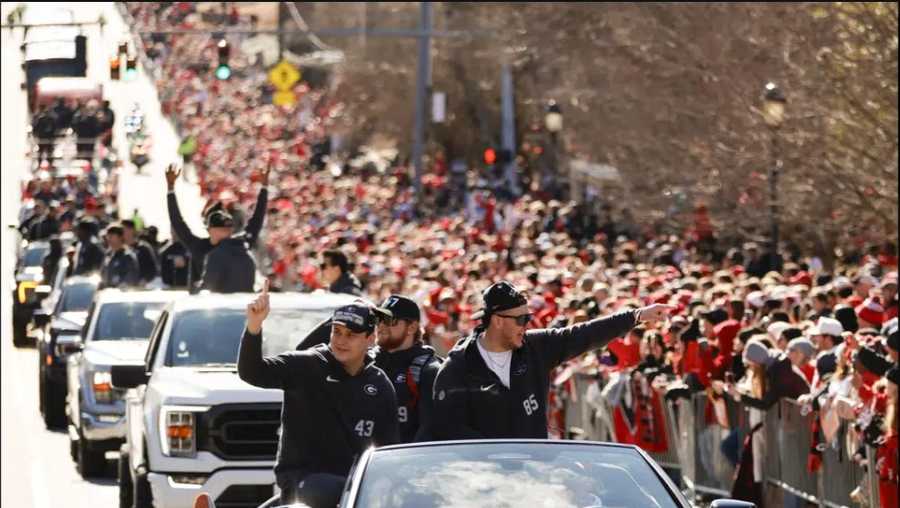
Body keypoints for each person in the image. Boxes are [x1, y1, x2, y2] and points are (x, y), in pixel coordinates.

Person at [431, 280, 673, 440]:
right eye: (521, 319)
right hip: (483, 480)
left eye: (528, 318)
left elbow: (584, 334)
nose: (527, 326)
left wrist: (636, 316)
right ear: (496, 320)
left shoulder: (534, 347)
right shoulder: (458, 367)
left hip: (535, 472)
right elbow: (447, 430)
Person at [238, 282, 399, 507]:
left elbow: (388, 452)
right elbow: (252, 372)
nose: (341, 340)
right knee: (334, 489)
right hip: (303, 483)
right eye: (337, 331)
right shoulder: (307, 365)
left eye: (351, 334)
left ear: (370, 339)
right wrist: (254, 326)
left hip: (357, 489)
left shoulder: (380, 384)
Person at [166, 163, 268, 291]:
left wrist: (264, 188)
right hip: (206, 305)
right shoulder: (198, 246)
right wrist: (170, 189)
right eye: (221, 229)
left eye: (228, 229)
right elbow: (177, 222)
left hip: (238, 304)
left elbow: (256, 221)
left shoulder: (240, 245)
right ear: (209, 230)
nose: (226, 232)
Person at [372, 295, 443, 442]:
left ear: (411, 327)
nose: (381, 325)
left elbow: (428, 432)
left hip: (405, 460)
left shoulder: (428, 370)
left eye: (389, 320)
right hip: (363, 461)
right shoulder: (365, 361)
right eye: (379, 318)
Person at [100, 224, 140, 288]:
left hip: (120, 295)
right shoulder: (108, 254)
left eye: (112, 236)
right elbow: (102, 274)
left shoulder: (127, 256)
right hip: (106, 294)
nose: (109, 239)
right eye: (108, 236)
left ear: (120, 237)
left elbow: (130, 280)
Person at [122, 219, 159, 283]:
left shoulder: (143, 248)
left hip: (141, 288)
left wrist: (145, 280)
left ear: (132, 230)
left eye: (123, 229)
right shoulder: (121, 249)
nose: (121, 233)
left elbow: (153, 269)